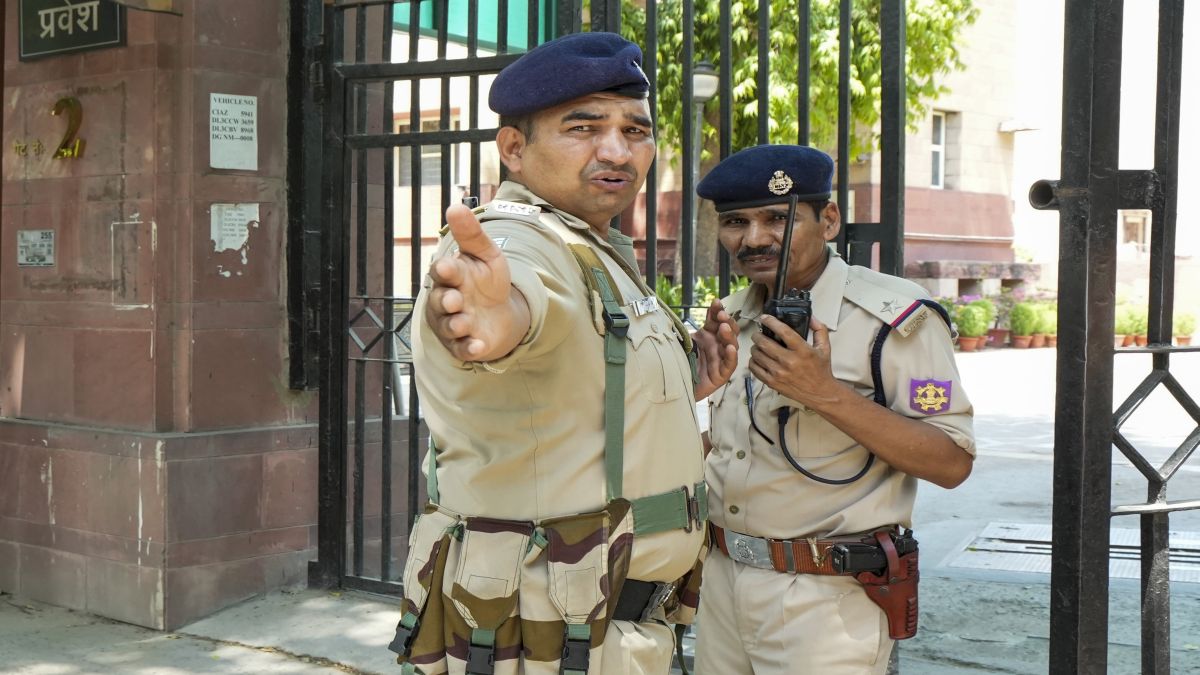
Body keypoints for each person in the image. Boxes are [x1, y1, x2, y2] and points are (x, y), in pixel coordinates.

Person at [389, 32, 739, 675]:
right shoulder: (516, 241)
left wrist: (689, 378)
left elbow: (577, 392)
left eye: (635, 131)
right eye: (583, 128)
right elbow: (519, 303)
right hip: (541, 642)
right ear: (514, 149)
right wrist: (493, 319)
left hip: (612, 628)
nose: (617, 151)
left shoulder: (592, 248)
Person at [693, 144, 976, 675]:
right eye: (735, 222)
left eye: (777, 218)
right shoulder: (731, 317)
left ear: (828, 220)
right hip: (724, 582)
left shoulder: (892, 319)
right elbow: (732, 446)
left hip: (826, 600)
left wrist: (824, 393)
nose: (753, 239)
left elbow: (951, 462)